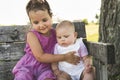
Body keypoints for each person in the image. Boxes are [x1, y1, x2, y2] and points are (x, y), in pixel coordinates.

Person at [12, 0, 80, 80]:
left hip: (46, 68)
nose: (41, 25)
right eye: (36, 22)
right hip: (28, 67)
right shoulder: (32, 35)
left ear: (50, 16)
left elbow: (68, 44)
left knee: (49, 77)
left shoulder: (56, 34)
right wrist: (65, 57)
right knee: (23, 77)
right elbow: (40, 56)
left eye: (44, 20)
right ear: (31, 23)